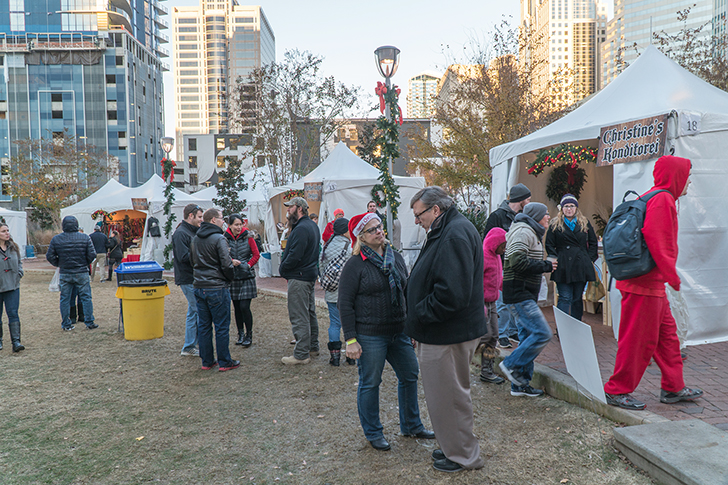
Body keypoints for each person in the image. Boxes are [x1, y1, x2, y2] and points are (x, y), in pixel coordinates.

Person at [604, 155, 703, 410]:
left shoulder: (654, 196)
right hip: (645, 286)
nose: (689, 182)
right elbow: (658, 239)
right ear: (676, 176)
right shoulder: (663, 199)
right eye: (687, 176)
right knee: (638, 341)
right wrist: (672, 275)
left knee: (667, 338)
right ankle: (617, 390)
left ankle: (673, 387)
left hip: (648, 284)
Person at [405, 186, 487, 473]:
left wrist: (419, 313)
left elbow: (452, 294)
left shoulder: (454, 233)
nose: (417, 220)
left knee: (450, 397)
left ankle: (464, 456)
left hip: (447, 333)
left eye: (419, 215)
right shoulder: (449, 229)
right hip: (445, 332)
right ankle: (454, 447)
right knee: (444, 397)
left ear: (436, 210)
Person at [339, 212, 434, 451]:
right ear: (361, 237)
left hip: (399, 331)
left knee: (410, 374)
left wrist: (410, 326)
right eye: (372, 230)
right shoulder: (355, 265)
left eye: (379, 226)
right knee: (371, 382)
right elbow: (344, 304)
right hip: (370, 335)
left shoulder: (396, 257)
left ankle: (411, 425)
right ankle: (373, 433)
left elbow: (406, 292)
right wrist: (350, 339)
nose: (379, 231)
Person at [498, 202, 555, 398]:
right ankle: (510, 364)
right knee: (542, 333)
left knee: (527, 336)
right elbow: (516, 261)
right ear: (537, 216)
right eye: (546, 213)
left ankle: (520, 385)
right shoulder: (524, 231)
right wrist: (545, 265)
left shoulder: (532, 232)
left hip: (524, 293)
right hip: (519, 293)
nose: (548, 216)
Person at [190, 208, 239, 372]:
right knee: (221, 326)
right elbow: (226, 264)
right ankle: (225, 361)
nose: (223, 221)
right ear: (213, 220)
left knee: (203, 325)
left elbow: (192, 260)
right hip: (217, 287)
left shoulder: (196, 238)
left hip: (200, 286)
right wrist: (229, 277)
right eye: (221, 218)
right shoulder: (219, 238)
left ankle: (207, 360)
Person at [484, 183, 531, 349]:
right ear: (520, 199)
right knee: (502, 302)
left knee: (513, 299)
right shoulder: (497, 216)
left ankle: (512, 331)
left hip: (516, 265)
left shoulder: (523, 217)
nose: (529, 201)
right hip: (501, 265)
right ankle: (502, 334)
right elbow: (488, 241)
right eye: (527, 198)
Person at [279, 197, 321, 365]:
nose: (288, 210)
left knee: (299, 315)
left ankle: (302, 354)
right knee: (309, 313)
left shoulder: (302, 228)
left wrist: (283, 269)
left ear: (299, 208)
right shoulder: (311, 226)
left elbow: (295, 255)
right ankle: (312, 346)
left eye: (290, 207)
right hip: (308, 275)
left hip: (300, 277)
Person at [545, 194, 598, 321]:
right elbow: (549, 244)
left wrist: (588, 259)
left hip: (581, 265)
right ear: (562, 208)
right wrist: (555, 259)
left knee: (576, 298)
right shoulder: (555, 224)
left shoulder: (584, 222)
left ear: (576, 208)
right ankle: (562, 328)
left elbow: (593, 242)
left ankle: (576, 326)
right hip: (563, 265)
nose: (569, 209)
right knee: (564, 297)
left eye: (572, 206)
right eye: (566, 206)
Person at [46, 215, 98, 331]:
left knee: (65, 298)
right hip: (81, 271)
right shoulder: (84, 238)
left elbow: (50, 256)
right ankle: (89, 321)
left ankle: (66, 323)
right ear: (76, 225)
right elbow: (92, 254)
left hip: (65, 272)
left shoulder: (57, 239)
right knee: (86, 297)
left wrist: (60, 264)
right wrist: (84, 262)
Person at [172, 204, 203, 357]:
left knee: (193, 311)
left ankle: (189, 346)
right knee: (198, 310)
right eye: (199, 217)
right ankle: (192, 345)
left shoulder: (193, 232)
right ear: (190, 216)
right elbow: (183, 257)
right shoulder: (180, 233)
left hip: (194, 277)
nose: (201, 220)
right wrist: (202, 256)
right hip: (187, 278)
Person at [224, 214, 260, 347]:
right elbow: (223, 255)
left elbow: (256, 255)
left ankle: (249, 334)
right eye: (236, 225)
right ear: (230, 226)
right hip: (233, 276)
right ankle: (240, 334)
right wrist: (231, 262)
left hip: (246, 276)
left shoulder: (248, 237)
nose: (239, 227)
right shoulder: (224, 238)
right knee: (237, 308)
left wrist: (248, 265)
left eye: (241, 224)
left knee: (245, 307)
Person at [320, 217, 351, 366]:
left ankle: (335, 357)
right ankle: (351, 356)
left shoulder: (326, 246)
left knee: (334, 324)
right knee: (349, 324)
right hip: (348, 293)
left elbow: (321, 268)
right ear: (346, 230)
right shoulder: (348, 247)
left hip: (331, 292)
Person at [478, 227, 507, 384]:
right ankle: (461, 365)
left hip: (492, 302)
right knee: (482, 336)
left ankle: (487, 371)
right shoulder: (482, 257)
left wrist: (506, 289)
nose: (504, 250)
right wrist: (477, 303)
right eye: (502, 246)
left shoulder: (496, 257)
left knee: (494, 336)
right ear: (495, 243)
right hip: (481, 303)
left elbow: (497, 278)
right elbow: (474, 281)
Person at [0, 223, 24, 352]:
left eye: (8, 230)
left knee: (13, 313)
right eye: (3, 231)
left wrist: (19, 273)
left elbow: (19, 262)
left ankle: (16, 342)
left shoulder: (14, 248)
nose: (7, 233)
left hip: (13, 286)